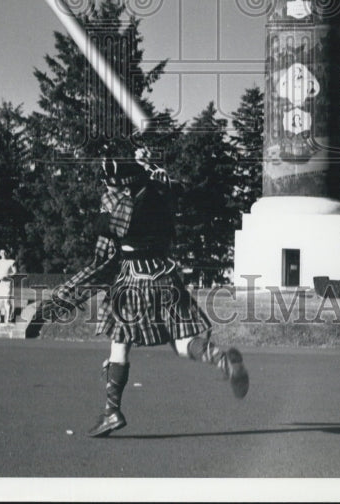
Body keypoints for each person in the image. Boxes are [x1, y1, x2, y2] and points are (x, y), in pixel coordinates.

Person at [42, 147, 249, 438]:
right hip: (166, 275)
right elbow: (173, 189)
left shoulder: (117, 204)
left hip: (133, 279)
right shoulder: (160, 193)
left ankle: (112, 411)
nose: (106, 186)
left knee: (120, 344)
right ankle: (222, 360)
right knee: (181, 340)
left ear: (121, 185)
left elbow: (105, 241)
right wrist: (151, 173)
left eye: (110, 182)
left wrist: (64, 297)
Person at [0, 249, 17, 322]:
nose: (3, 254)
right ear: (0, 254)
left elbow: (15, 272)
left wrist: (7, 276)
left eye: (5, 252)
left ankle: (8, 319)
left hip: (7, 284)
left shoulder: (11, 262)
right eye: (2, 252)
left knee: (7, 301)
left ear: (7, 253)